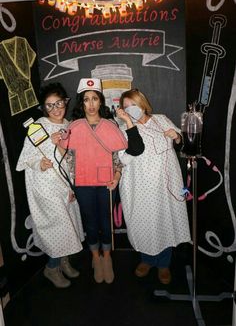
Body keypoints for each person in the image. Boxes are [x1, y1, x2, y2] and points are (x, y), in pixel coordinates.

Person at [52, 78, 144, 284]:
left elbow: (118, 158)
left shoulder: (110, 125)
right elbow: (68, 158)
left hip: (106, 182)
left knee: (106, 222)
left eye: (95, 99)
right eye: (86, 99)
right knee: (91, 224)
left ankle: (107, 258)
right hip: (83, 183)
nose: (91, 104)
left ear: (100, 102)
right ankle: (95, 258)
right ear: (81, 103)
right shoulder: (74, 126)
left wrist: (116, 177)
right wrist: (58, 144)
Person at [116, 89, 191, 284]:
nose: (130, 109)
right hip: (139, 183)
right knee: (144, 220)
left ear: (142, 103)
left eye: (133, 104)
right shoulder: (122, 128)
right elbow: (123, 158)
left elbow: (181, 142)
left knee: (164, 219)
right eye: (125, 107)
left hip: (165, 183)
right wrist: (129, 123)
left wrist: (176, 137)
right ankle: (146, 260)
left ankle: (164, 264)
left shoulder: (161, 119)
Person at [16, 82, 84, 289]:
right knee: (57, 226)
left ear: (66, 102)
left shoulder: (69, 125)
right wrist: (40, 162)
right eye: (50, 105)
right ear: (44, 108)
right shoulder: (38, 126)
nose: (56, 109)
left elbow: (73, 160)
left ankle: (64, 261)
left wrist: (73, 187)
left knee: (70, 221)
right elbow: (25, 159)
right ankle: (51, 267)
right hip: (45, 187)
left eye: (59, 103)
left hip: (65, 184)